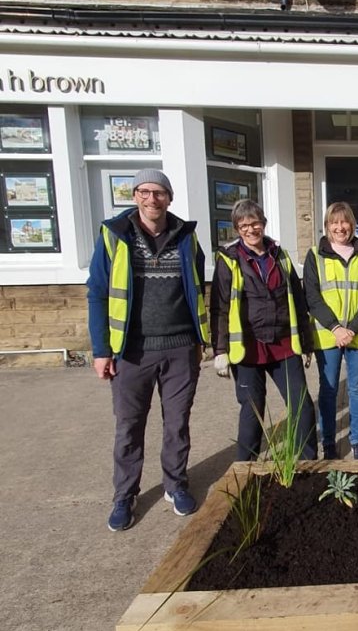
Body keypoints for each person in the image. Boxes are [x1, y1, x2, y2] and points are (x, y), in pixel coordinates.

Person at [87, 169, 209, 532]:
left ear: (168, 198)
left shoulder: (187, 236)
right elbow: (97, 293)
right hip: (131, 351)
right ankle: (125, 495)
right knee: (128, 426)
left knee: (177, 424)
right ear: (135, 195)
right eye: (144, 191)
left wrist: (200, 340)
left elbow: (196, 287)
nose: (151, 199)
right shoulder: (114, 236)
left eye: (159, 193)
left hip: (180, 347)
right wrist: (101, 349)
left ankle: (175, 484)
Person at [210, 199, 317, 462]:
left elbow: (298, 300)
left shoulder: (280, 255)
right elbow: (220, 307)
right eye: (243, 225)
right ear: (237, 229)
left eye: (255, 223)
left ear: (264, 223)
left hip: (283, 344)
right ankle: (245, 468)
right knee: (252, 408)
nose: (250, 229)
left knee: (301, 404)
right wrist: (220, 350)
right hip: (247, 348)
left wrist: (305, 342)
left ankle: (307, 461)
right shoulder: (229, 259)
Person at [303, 201, 358, 460]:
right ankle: (329, 442)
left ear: (352, 225)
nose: (339, 227)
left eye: (344, 222)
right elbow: (312, 297)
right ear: (326, 226)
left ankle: (357, 441)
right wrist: (336, 328)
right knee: (329, 388)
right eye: (334, 223)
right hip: (327, 334)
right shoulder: (315, 255)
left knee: (357, 388)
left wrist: (352, 329)